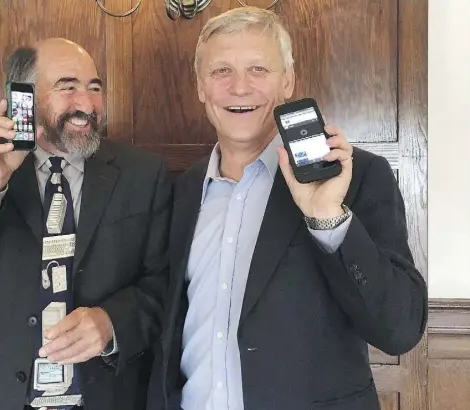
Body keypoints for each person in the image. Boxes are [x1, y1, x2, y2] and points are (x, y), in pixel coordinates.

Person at [148, 7, 428, 410]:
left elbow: (400, 329)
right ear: (200, 88)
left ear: (288, 81)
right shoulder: (183, 190)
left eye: (259, 70)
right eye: (221, 71)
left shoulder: (357, 176)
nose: (239, 87)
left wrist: (328, 219)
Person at [0, 38, 172, 410]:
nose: (86, 104)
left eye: (94, 88)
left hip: (104, 395)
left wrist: (112, 321)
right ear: (26, 98)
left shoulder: (144, 175)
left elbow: (162, 284)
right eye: (67, 87)